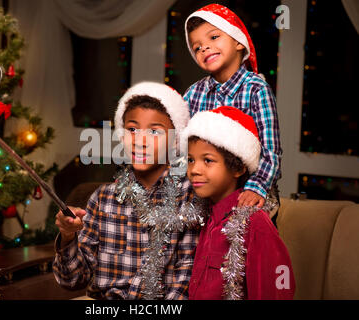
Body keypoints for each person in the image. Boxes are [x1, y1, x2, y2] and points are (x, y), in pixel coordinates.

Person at [53, 82, 202, 300]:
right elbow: (73, 280)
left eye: (154, 132)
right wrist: (67, 237)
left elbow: (186, 277)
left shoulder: (188, 196)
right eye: (132, 129)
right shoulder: (102, 199)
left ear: (175, 140)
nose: (140, 141)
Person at [182, 106, 295, 299]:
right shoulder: (205, 217)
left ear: (238, 168)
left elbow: (278, 288)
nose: (194, 170)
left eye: (208, 161)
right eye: (191, 160)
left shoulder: (254, 223)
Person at [183, 4, 282, 217]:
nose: (204, 48)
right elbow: (178, 144)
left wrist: (257, 186)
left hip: (244, 197)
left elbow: (270, 149)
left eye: (213, 37)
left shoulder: (256, 89)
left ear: (239, 42)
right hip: (204, 199)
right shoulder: (193, 93)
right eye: (197, 47)